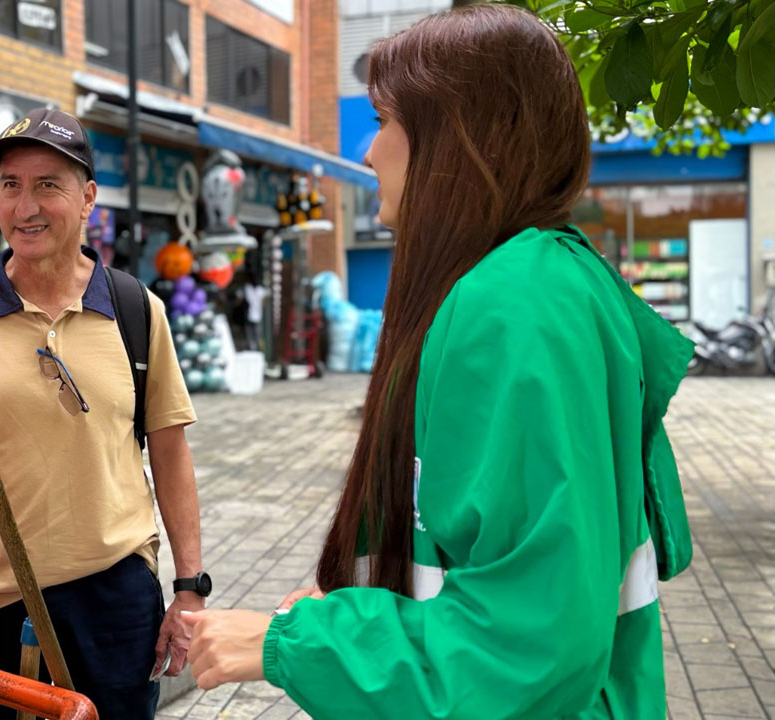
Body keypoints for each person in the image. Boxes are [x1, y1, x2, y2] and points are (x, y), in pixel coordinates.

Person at [181, 5, 695, 718]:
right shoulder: (554, 277)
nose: (367, 153)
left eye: (385, 120)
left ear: (457, 134)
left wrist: (291, 641)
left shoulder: (512, 303)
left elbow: (523, 650)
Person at [0, 108, 208, 719]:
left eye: (47, 185)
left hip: (114, 598)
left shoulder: (136, 311)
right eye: (10, 185)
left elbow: (171, 458)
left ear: (88, 197)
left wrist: (190, 590)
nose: (25, 205)